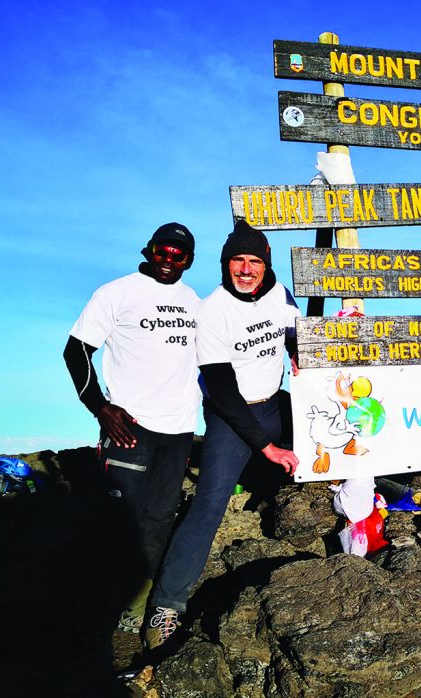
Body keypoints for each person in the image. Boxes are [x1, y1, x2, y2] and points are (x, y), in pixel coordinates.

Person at [145, 220, 302, 649]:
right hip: (231, 418)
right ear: (225, 265)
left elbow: (292, 333)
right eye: (238, 261)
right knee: (210, 503)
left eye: (254, 261)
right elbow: (223, 391)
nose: (246, 269)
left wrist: (296, 353)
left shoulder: (280, 294)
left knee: (340, 438)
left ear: (265, 264)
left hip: (275, 402)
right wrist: (267, 447)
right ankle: (166, 605)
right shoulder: (211, 311)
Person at [63, 222, 200, 633]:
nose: (169, 259)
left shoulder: (193, 300)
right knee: (117, 523)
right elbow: (75, 351)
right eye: (163, 250)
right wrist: (100, 407)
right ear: (149, 249)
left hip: (179, 430)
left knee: (159, 519)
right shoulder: (115, 292)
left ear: (189, 261)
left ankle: (134, 613)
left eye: (179, 254)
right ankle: (93, 619)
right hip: (130, 429)